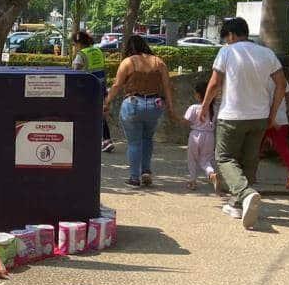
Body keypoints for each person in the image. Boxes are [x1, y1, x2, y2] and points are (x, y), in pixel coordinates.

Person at [200, 17, 286, 229]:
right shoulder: (267, 54)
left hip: (232, 116)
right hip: (259, 118)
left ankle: (246, 193)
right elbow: (281, 85)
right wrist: (272, 114)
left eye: (226, 38)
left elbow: (214, 84)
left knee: (225, 158)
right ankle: (239, 204)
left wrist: (204, 106)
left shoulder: (227, 52)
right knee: (249, 160)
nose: (226, 41)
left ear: (231, 35)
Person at [104, 34, 177, 187]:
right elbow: (167, 86)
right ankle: (146, 171)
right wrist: (170, 107)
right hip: (155, 105)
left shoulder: (128, 62)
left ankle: (134, 178)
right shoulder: (159, 62)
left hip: (133, 104)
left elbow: (117, 85)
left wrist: (107, 102)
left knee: (134, 142)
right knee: (147, 139)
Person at [72, 31, 114, 153]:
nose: (74, 46)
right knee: (100, 115)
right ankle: (107, 140)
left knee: (83, 114)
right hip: (100, 87)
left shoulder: (81, 54)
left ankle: (85, 141)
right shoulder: (98, 51)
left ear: (79, 43)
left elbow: (75, 72)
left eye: (74, 44)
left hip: (87, 89)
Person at [263, 78, 289, 189]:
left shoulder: (259, 76)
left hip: (264, 118)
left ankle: (246, 177)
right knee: (283, 148)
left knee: (253, 148)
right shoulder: (281, 78)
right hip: (281, 119)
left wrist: (272, 120)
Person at [183, 81, 218, 191]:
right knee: (205, 160)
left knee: (192, 158)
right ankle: (211, 173)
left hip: (195, 134)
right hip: (210, 136)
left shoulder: (194, 107)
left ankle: (192, 181)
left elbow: (186, 121)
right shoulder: (215, 108)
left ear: (198, 95)